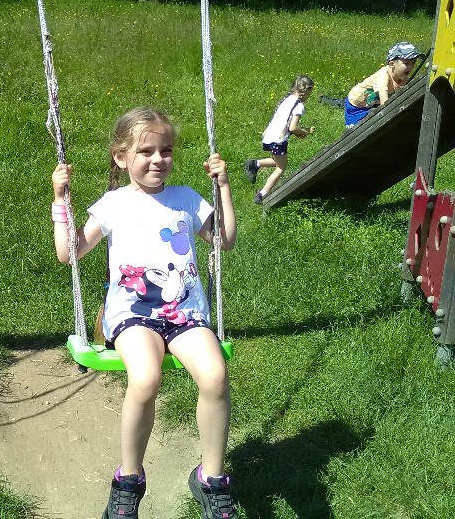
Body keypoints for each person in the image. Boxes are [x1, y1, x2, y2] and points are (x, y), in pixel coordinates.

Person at [51, 107, 237, 519]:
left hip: (185, 312)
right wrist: (59, 199)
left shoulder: (186, 199)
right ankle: (129, 480)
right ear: (121, 158)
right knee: (146, 378)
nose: (158, 159)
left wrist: (223, 186)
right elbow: (69, 253)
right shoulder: (113, 204)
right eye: (146, 151)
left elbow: (223, 240)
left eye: (166, 150)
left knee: (215, 375)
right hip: (133, 314)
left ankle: (211, 478)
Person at [244, 75, 315, 204]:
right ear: (306, 91)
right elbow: (293, 127)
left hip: (269, 136)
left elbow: (286, 123)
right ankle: (262, 194)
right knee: (281, 168)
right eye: (310, 92)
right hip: (278, 139)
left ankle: (255, 164)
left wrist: (298, 132)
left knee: (278, 161)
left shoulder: (287, 99)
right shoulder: (299, 106)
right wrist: (305, 131)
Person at [344, 41, 423, 129]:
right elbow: (385, 106)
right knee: (355, 131)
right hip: (357, 105)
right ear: (392, 64)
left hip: (373, 103)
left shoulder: (403, 78)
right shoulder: (383, 76)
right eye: (407, 63)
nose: (411, 67)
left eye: (413, 63)